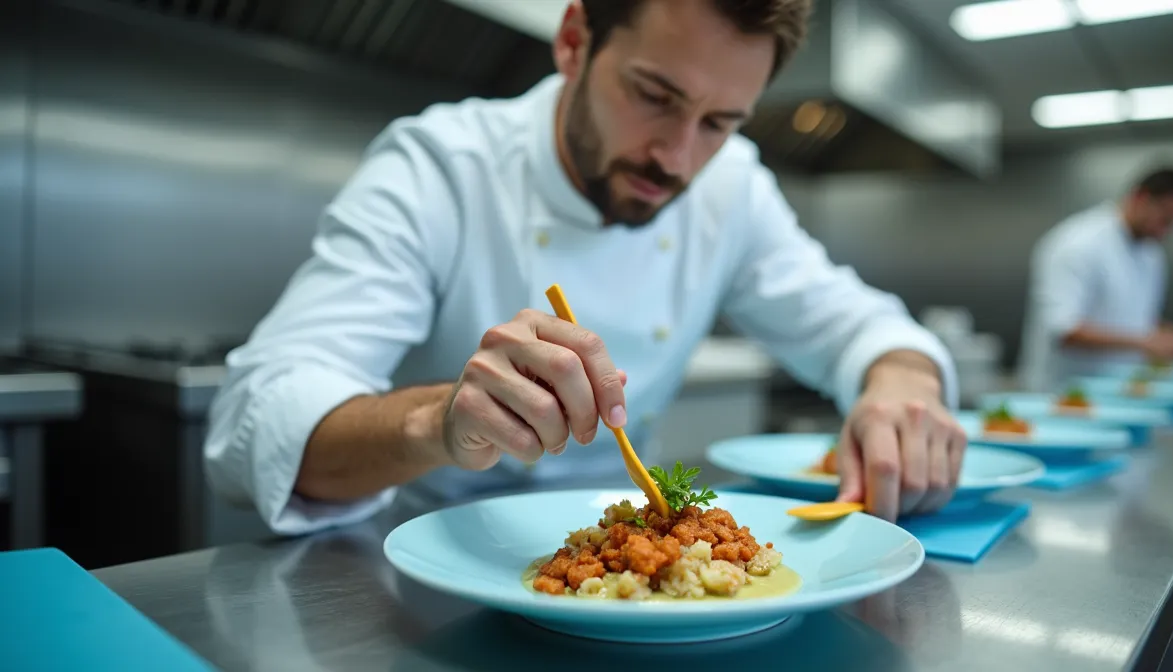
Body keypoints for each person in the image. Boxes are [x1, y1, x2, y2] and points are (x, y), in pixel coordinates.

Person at [204, 0, 967, 536]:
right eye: (654, 95)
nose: (678, 157)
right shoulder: (441, 168)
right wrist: (437, 422)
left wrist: (903, 383)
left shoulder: (731, 185)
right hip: (427, 565)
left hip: (636, 576)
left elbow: (853, 324)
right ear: (574, 40)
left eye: (719, 123)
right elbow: (255, 422)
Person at [1018, 167, 1173, 391]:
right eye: (1164, 219)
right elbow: (1065, 331)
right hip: (1064, 395)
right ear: (1140, 198)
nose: (1165, 231)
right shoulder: (1077, 244)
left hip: (1123, 390)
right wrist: (1147, 342)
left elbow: (1135, 320)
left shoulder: (1150, 253)